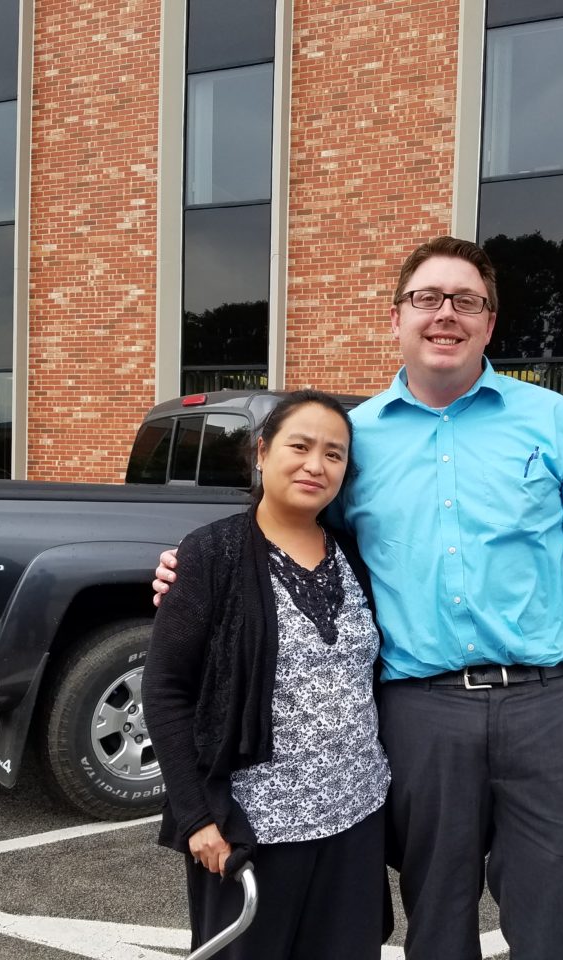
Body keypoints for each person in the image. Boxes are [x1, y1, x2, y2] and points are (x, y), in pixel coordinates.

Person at [156, 237, 563, 960]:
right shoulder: (358, 441)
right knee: (436, 922)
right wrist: (194, 569)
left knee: (559, 919)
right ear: (396, 318)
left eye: (466, 301)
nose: (446, 314)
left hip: (547, 708)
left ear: (489, 322)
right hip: (420, 714)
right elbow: (292, 530)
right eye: (427, 299)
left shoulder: (553, 421)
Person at [142, 390, 390, 960]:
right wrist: (197, 817)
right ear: (261, 452)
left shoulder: (355, 556)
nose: (315, 465)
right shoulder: (212, 553)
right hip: (251, 832)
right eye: (299, 446)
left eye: (333, 454)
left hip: (355, 819)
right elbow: (165, 690)